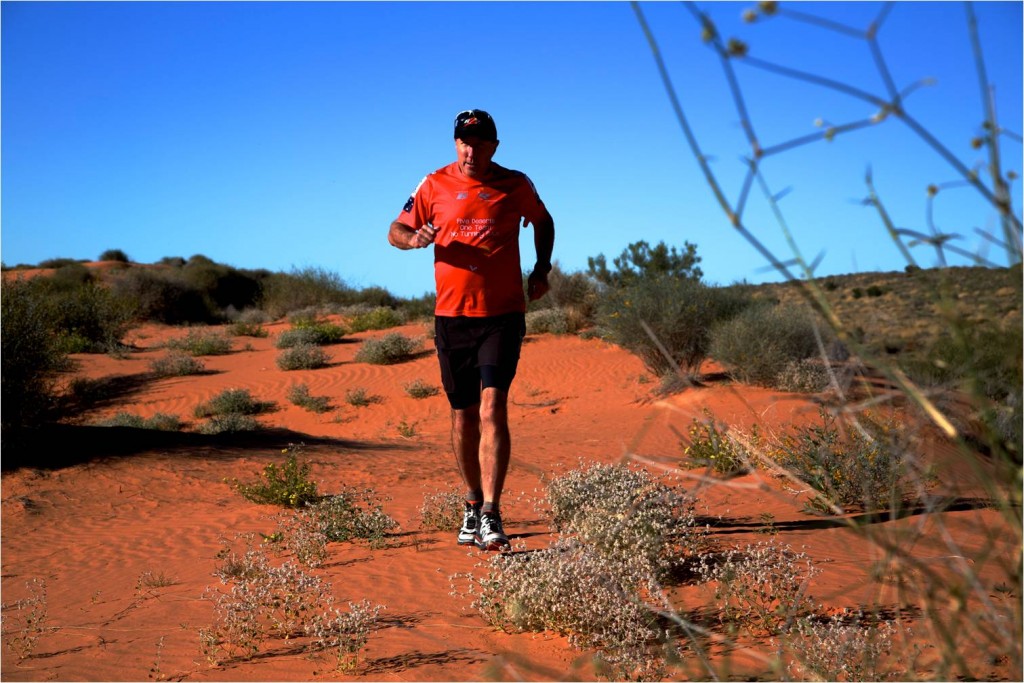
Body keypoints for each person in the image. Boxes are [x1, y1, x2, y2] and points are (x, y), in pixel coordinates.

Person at [388, 109, 555, 551]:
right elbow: (395, 229)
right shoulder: (433, 184)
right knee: (463, 415)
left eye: (480, 143)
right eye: (464, 142)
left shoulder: (515, 184)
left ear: (494, 146)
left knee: (492, 407)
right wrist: (413, 239)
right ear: (455, 143)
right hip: (452, 317)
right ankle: (471, 501)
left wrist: (540, 269)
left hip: (501, 314)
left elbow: (543, 220)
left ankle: (491, 513)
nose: (471, 150)